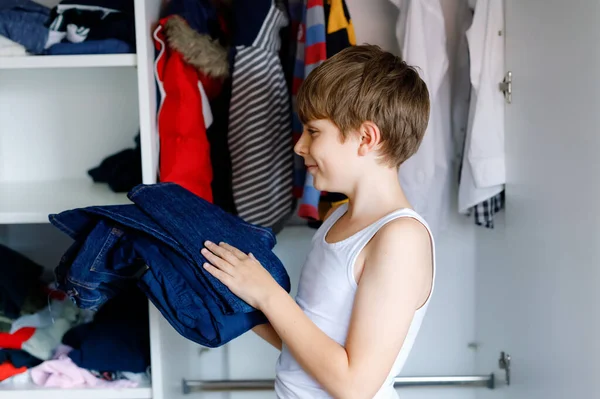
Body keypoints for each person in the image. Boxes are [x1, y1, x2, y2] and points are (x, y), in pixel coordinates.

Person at [201, 44, 436, 399]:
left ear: (367, 138)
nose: (299, 145)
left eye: (313, 131)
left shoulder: (400, 238)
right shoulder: (338, 216)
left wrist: (267, 292)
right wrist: (239, 295)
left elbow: (354, 385)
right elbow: (309, 343)